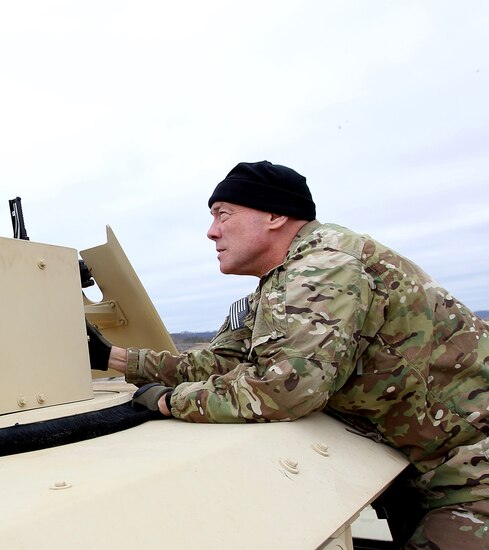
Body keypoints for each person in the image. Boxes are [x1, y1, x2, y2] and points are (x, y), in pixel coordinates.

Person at [86, 160, 489, 548]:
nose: (211, 232)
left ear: (275, 215)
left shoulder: (325, 266)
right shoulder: (278, 285)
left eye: (223, 215)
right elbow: (218, 363)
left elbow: (287, 390)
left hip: (471, 471)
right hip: (429, 468)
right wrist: (114, 358)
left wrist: (168, 402)